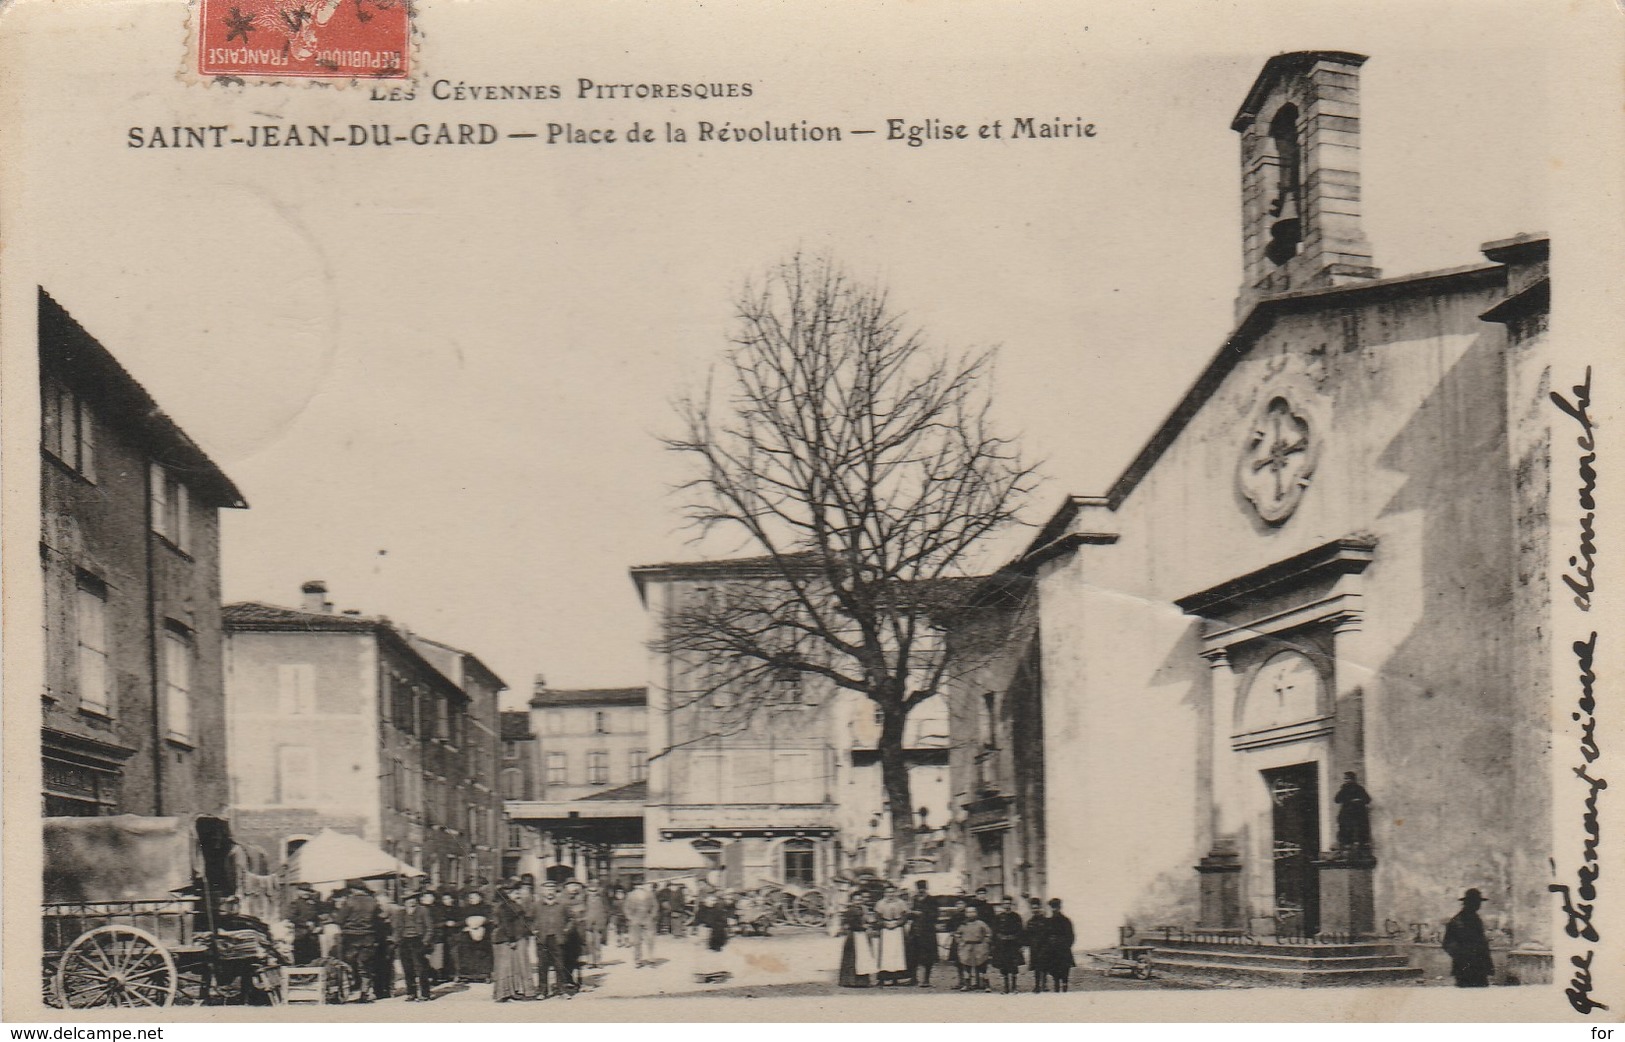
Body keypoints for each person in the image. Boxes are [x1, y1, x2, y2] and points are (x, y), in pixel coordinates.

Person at [491, 882, 537, 1002]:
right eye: (515, 893)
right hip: (511, 938)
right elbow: (507, 924)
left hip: (510, 937)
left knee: (508, 966)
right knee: (516, 965)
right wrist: (512, 939)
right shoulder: (508, 906)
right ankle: (525, 992)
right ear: (508, 894)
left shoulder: (508, 905)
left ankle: (507, 992)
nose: (518, 895)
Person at [530, 880, 577, 998]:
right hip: (542, 938)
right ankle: (542, 991)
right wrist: (534, 930)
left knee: (559, 965)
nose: (549, 892)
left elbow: (571, 919)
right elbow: (529, 919)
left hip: (558, 938)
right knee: (542, 965)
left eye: (552, 889)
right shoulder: (536, 905)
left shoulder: (562, 905)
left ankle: (562, 990)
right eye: (547, 890)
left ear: (555, 891)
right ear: (542, 891)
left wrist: (566, 930)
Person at [336, 881, 381, 1002]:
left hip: (351, 937)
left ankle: (347, 991)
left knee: (348, 964)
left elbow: (339, 919)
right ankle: (364, 993)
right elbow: (378, 920)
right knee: (365, 966)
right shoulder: (373, 901)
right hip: (368, 937)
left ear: (353, 889)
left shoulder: (349, 901)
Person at [1442, 888, 1495, 987]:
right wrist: (1463, 956)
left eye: (1479, 902)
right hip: (1465, 968)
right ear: (1468, 902)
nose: (1478, 905)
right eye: (1476, 902)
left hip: (1479, 967)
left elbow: (1481, 943)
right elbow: (1447, 943)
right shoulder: (1457, 921)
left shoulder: (1476, 919)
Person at [396, 889, 436, 1002]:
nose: (410, 901)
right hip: (405, 941)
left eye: (412, 898)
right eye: (407, 899)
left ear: (416, 900)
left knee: (421, 968)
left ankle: (425, 993)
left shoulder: (423, 910)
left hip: (418, 941)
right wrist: (398, 940)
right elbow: (397, 928)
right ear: (404, 901)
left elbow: (430, 928)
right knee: (407, 968)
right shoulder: (401, 913)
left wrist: (425, 942)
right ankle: (411, 993)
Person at [1030, 898, 1075, 993]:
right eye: (1053, 908)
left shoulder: (1066, 921)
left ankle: (1065, 990)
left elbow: (1070, 936)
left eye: (1056, 908)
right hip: (1052, 951)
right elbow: (1044, 936)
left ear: (1060, 907)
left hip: (1063, 950)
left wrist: (1065, 946)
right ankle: (1056, 990)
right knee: (1055, 972)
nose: (1055, 910)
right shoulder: (1048, 921)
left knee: (1064, 971)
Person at [872, 885, 911, 986]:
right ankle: (884, 978)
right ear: (885, 893)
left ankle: (897, 978)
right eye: (888, 892)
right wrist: (885, 924)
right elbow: (877, 917)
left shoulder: (901, 903)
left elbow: (905, 916)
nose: (890, 895)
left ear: (896, 893)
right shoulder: (880, 903)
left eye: (892, 892)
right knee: (886, 954)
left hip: (898, 929)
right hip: (885, 929)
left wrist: (897, 923)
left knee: (898, 953)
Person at [837, 893, 877, 988]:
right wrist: (863, 927)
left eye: (860, 900)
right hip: (854, 935)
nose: (858, 902)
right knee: (854, 957)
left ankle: (862, 981)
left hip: (861, 935)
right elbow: (851, 924)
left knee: (862, 957)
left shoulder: (863, 909)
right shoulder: (851, 910)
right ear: (852, 901)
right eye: (856, 900)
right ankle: (851, 981)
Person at [990, 897, 1027, 994]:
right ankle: (1006, 988)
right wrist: (999, 938)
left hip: (1013, 945)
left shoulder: (1016, 917)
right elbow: (995, 931)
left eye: (1009, 904)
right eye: (1005, 904)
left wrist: (1020, 943)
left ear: (1011, 905)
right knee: (1004, 966)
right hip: (1002, 945)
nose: (1007, 906)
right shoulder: (998, 917)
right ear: (1002, 905)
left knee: (1014, 966)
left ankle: (1014, 988)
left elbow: (1020, 930)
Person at [907, 882, 939, 987]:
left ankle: (926, 980)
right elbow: (909, 915)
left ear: (926, 889)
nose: (921, 891)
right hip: (915, 931)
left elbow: (936, 915)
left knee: (928, 956)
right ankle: (913, 978)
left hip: (927, 932)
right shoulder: (914, 900)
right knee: (912, 955)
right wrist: (911, 913)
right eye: (919, 889)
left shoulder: (932, 900)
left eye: (923, 888)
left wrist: (923, 914)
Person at [457, 889, 493, 982]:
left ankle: (484, 974)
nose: (472, 899)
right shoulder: (465, 909)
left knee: (482, 953)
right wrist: (467, 924)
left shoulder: (486, 908)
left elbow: (491, 919)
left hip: (484, 933)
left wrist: (483, 922)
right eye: (471, 897)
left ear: (480, 898)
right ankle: (468, 974)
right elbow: (461, 921)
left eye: (475, 897)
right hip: (468, 933)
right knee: (467, 952)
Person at [954, 905, 992, 991]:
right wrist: (960, 942)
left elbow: (988, 933)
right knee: (966, 966)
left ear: (976, 913)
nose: (971, 914)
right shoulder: (963, 924)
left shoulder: (981, 923)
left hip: (979, 947)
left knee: (982, 966)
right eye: (968, 912)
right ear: (966, 914)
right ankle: (967, 984)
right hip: (966, 948)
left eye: (973, 912)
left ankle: (986, 985)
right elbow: (957, 934)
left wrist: (985, 943)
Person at [1335, 771, 1374, 853]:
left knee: (1358, 833)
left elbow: (1367, 799)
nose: (1346, 781)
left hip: (1358, 815)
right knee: (1345, 832)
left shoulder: (1359, 789)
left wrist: (1358, 800)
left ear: (1353, 779)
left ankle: (1358, 849)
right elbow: (1336, 799)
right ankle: (1346, 849)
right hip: (1346, 815)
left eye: (1348, 779)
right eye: (1345, 779)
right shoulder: (1343, 789)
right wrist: (1346, 799)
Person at [624, 882, 658, 967]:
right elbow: (626, 908)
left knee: (650, 939)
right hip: (635, 920)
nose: (640, 887)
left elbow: (655, 906)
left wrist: (651, 916)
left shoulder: (650, 894)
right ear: (635, 886)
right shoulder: (630, 895)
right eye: (638, 885)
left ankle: (651, 958)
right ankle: (637, 960)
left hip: (647, 919)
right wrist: (631, 918)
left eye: (641, 885)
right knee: (636, 941)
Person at [371, 891, 396, 1000]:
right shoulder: (374, 912)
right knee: (377, 966)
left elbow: (396, 927)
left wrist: (394, 940)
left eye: (381, 902)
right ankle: (379, 990)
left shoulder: (394, 911)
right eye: (378, 902)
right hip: (377, 941)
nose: (379, 904)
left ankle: (389, 989)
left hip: (389, 941)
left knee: (388, 965)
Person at [582, 880, 611, 968]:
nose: (593, 893)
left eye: (595, 891)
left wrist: (605, 921)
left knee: (597, 943)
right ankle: (590, 962)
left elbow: (607, 911)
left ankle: (598, 962)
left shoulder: (602, 899)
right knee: (589, 943)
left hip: (599, 924)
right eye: (591, 891)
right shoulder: (585, 898)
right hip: (588, 924)